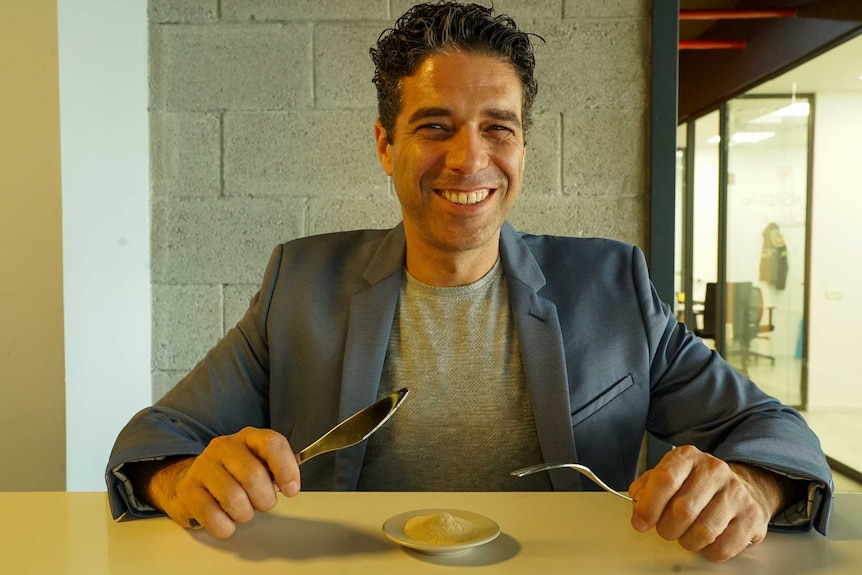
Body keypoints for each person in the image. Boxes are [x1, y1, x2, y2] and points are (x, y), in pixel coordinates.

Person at [107, 1, 833, 563]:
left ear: (523, 143)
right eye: (434, 127)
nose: (469, 159)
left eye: (498, 127)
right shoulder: (301, 283)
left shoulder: (613, 286)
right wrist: (182, 478)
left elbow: (775, 432)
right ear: (385, 145)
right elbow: (155, 439)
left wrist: (753, 488)